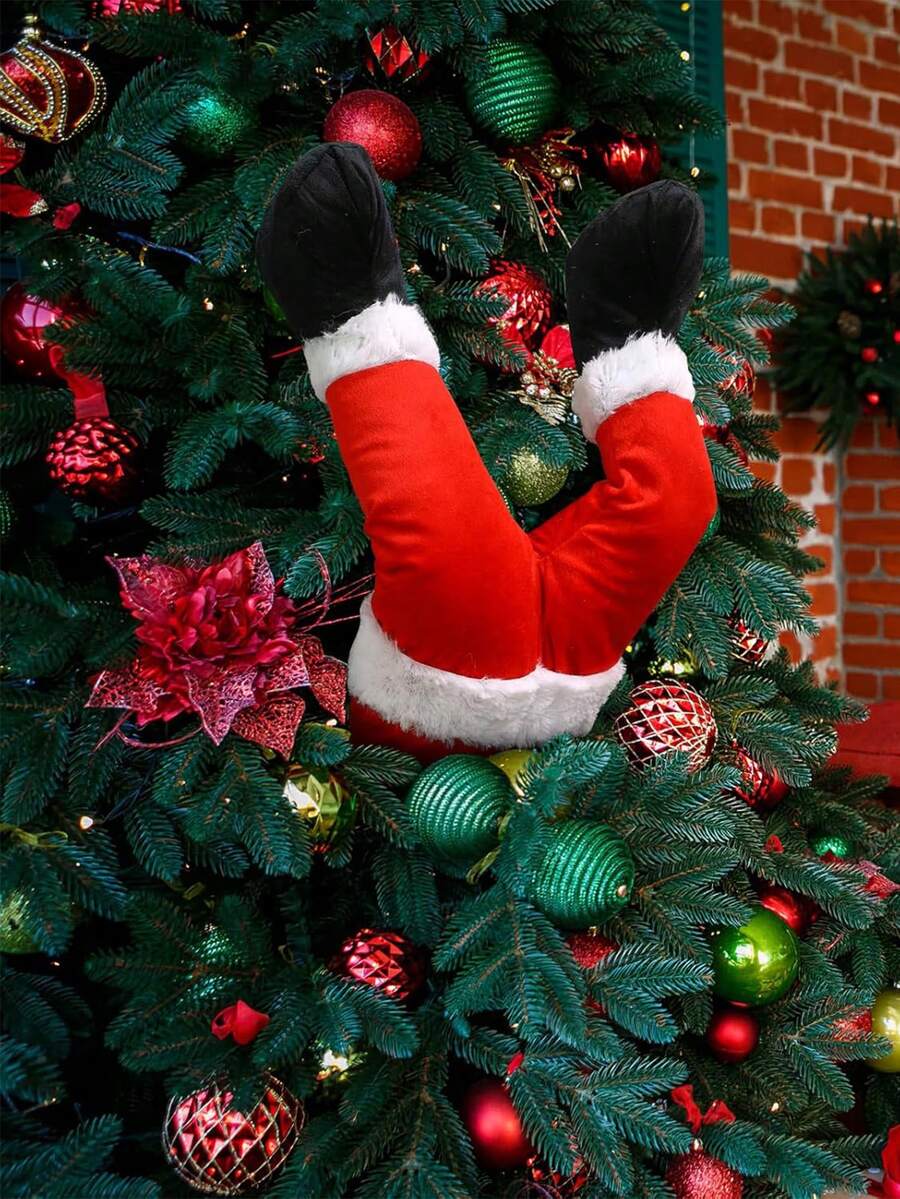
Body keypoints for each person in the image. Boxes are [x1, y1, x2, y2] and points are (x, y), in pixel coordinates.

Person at [257, 144, 716, 761]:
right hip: (557, 671)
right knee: (676, 507)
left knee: (449, 543)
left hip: (450, 683)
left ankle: (353, 319)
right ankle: (631, 346)